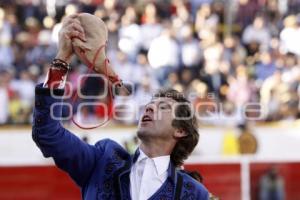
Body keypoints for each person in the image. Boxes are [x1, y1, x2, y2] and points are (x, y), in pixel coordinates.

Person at [32, 14, 209, 199]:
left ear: (180, 130)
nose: (149, 109)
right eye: (149, 105)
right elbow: (47, 133)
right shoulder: (104, 159)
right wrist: (62, 58)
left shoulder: (194, 193)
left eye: (163, 107)